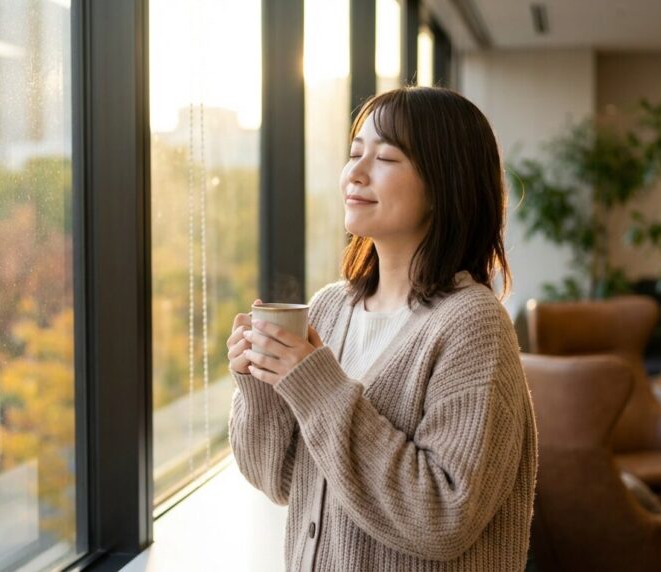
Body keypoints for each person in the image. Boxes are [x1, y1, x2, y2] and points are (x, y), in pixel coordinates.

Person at [226, 86, 537, 571]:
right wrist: (261, 383)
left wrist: (317, 386)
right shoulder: (330, 310)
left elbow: (444, 518)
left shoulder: (471, 324)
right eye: (354, 153)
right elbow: (284, 481)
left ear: (444, 184)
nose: (355, 172)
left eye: (386, 157)